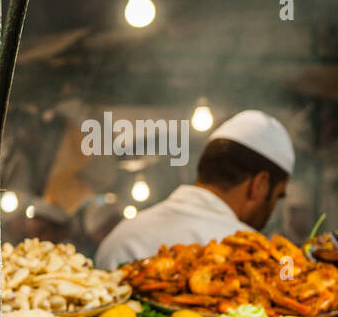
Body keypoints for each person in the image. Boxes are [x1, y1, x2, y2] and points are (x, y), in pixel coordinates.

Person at [95, 110, 294, 269]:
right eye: (277, 197)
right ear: (259, 185)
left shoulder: (122, 237)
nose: (271, 210)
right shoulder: (257, 261)